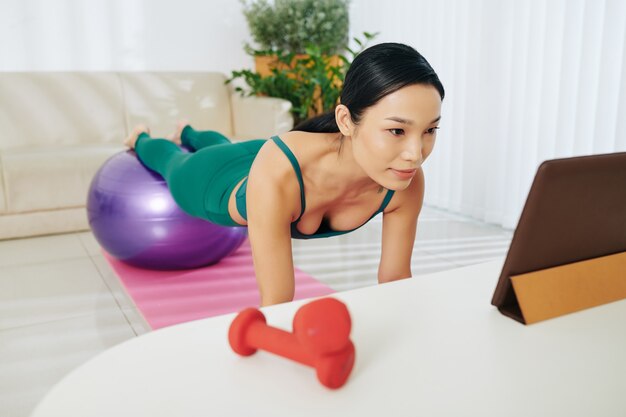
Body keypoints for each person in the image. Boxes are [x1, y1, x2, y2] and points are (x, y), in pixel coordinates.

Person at [124, 42, 445, 307]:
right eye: (396, 130)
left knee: (223, 145)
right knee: (175, 164)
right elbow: (277, 302)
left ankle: (190, 130)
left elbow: (395, 281)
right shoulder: (281, 170)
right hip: (220, 181)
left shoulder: (405, 181)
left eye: (430, 130)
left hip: (272, 159)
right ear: (346, 121)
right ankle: (143, 138)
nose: (415, 155)